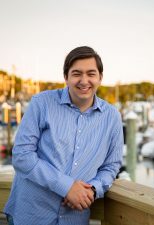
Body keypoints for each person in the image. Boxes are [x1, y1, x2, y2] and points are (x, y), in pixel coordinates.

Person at [4, 46, 124, 225]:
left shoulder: (112, 117)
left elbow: (111, 166)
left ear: (100, 77)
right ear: (66, 77)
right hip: (30, 215)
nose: (84, 81)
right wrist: (67, 187)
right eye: (77, 73)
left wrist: (92, 189)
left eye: (91, 73)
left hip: (74, 218)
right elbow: (22, 156)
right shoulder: (41, 103)